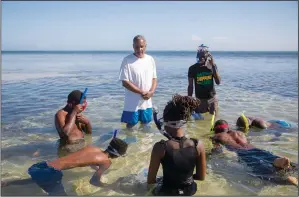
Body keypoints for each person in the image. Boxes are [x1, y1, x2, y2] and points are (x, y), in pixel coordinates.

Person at [1, 137, 128, 195]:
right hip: (50, 174)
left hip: (43, 166)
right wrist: (110, 186)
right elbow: (94, 181)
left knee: (35, 179)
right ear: (116, 155)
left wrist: (95, 168)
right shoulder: (106, 162)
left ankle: (6, 183)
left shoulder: (92, 148)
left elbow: (84, 159)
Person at [147, 94, 206, 196]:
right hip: (190, 191)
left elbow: (151, 180)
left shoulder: (160, 147)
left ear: (165, 123)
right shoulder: (198, 145)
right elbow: (201, 177)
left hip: (166, 192)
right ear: (185, 121)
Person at [210, 119, 298, 186]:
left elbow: (217, 150)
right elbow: (248, 141)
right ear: (227, 128)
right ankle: (277, 161)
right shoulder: (239, 133)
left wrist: (211, 155)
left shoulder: (217, 136)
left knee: (260, 170)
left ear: (215, 129)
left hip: (243, 153)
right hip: (254, 149)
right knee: (267, 157)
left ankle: (287, 180)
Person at [119, 35, 157, 129]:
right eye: (137, 47)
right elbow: (125, 82)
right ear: (133, 46)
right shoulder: (127, 60)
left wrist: (151, 92)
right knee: (131, 125)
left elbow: (154, 78)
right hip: (132, 101)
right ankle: (130, 143)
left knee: (146, 124)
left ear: (145, 46)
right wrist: (141, 92)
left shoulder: (150, 59)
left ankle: (144, 144)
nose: (139, 49)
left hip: (147, 101)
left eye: (141, 46)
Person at [188, 45, 221, 118]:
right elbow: (190, 86)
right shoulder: (192, 68)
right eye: (199, 56)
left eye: (203, 56)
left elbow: (218, 82)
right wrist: (189, 101)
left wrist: (212, 66)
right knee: (199, 122)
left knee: (213, 118)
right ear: (197, 56)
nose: (201, 59)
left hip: (211, 98)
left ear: (207, 57)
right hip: (199, 99)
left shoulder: (212, 66)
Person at [55, 90, 92, 155]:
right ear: (73, 103)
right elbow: (66, 133)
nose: (83, 105)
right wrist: (74, 112)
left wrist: (87, 122)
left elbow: (88, 133)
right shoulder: (61, 114)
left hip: (82, 144)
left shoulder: (78, 114)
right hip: (69, 148)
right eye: (82, 103)